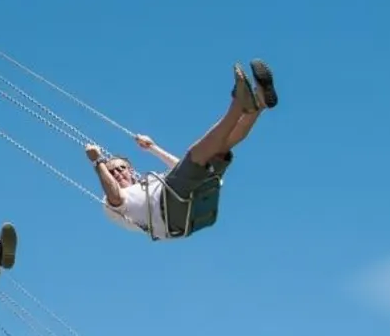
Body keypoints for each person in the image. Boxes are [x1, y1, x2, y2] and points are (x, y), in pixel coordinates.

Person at [87, 60, 278, 240]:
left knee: (219, 148)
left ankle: (260, 104)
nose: (117, 173)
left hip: (182, 201)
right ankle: (239, 103)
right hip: (170, 212)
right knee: (196, 153)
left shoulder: (148, 183)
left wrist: (153, 148)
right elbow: (115, 195)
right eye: (112, 172)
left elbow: (181, 167)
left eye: (121, 168)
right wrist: (98, 162)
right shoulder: (113, 202)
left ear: (131, 169)